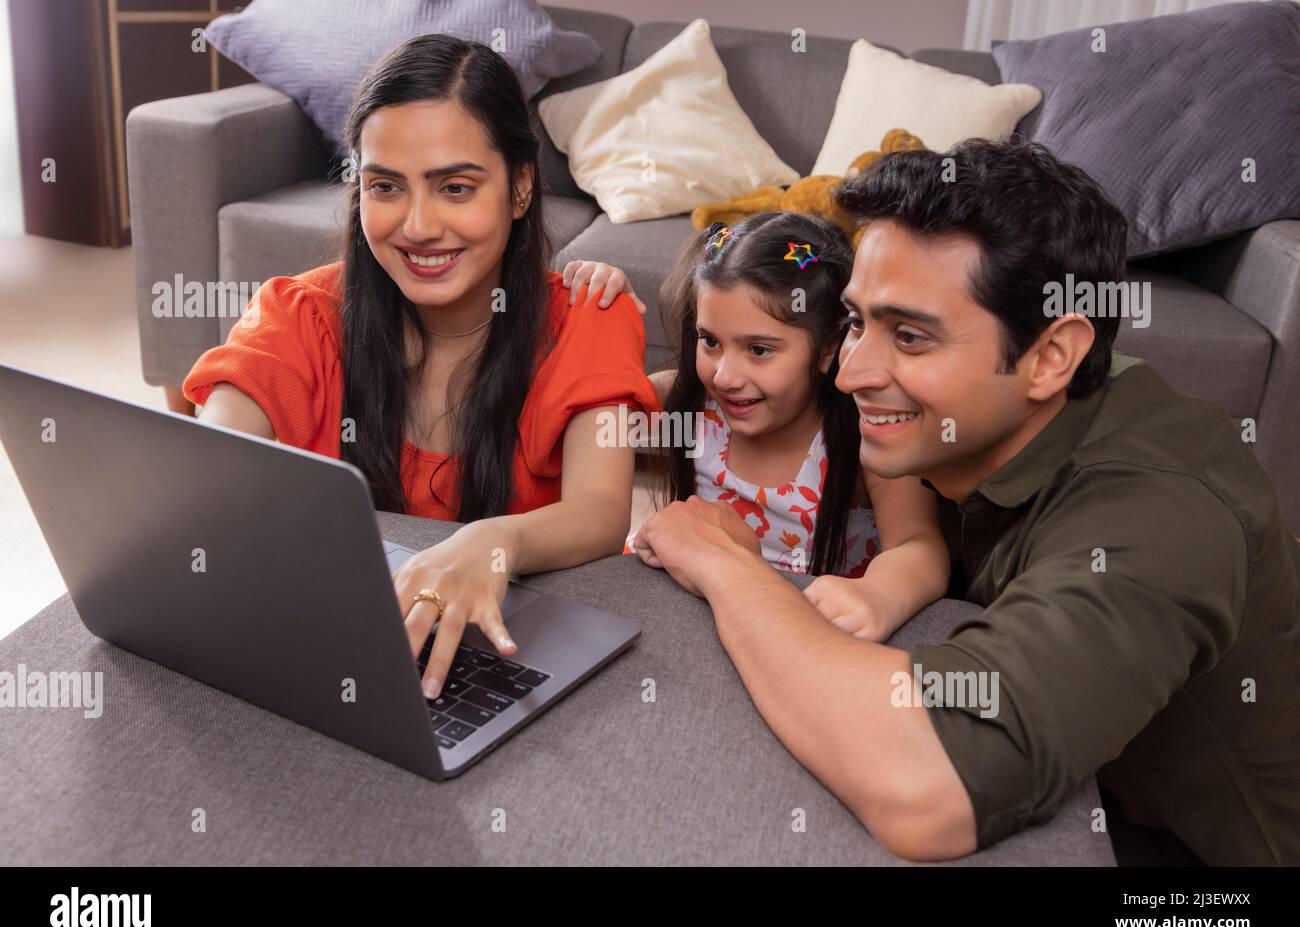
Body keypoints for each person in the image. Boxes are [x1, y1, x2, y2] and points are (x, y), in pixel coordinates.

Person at [632, 138, 1300, 865]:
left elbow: (925, 786)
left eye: (910, 336)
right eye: (856, 323)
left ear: (1051, 356)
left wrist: (726, 561)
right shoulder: (987, 407)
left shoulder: (1161, 516)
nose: (850, 372)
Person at [182, 35, 655, 701]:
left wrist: (492, 542)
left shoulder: (587, 317)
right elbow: (206, 467)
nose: (419, 225)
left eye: (455, 187)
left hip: (510, 653)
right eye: (386, 187)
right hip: (332, 648)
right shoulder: (297, 313)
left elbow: (604, 511)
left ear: (520, 187)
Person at [617, 211, 949, 642]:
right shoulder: (693, 402)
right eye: (711, 341)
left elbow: (919, 547)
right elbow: (598, 400)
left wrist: (879, 596)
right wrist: (604, 300)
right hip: (694, 620)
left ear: (830, 348)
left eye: (758, 349)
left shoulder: (866, 436)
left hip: (795, 633)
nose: (725, 376)